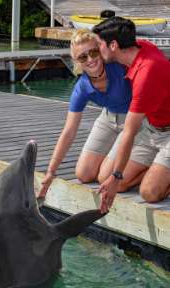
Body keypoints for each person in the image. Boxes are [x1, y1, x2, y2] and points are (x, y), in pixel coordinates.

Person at [39, 28, 131, 198]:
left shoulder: (120, 67)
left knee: (105, 176)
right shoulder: (81, 87)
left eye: (93, 52)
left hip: (133, 121)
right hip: (108, 117)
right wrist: (51, 171)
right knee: (84, 173)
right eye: (82, 57)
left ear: (100, 50)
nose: (90, 59)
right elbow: (69, 131)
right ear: (77, 62)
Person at [92, 16, 170, 213]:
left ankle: (160, 173)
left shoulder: (146, 73)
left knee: (149, 192)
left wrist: (117, 176)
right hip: (153, 128)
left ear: (113, 45)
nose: (97, 50)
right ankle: (159, 169)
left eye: (99, 45)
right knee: (104, 177)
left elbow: (129, 132)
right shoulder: (139, 47)